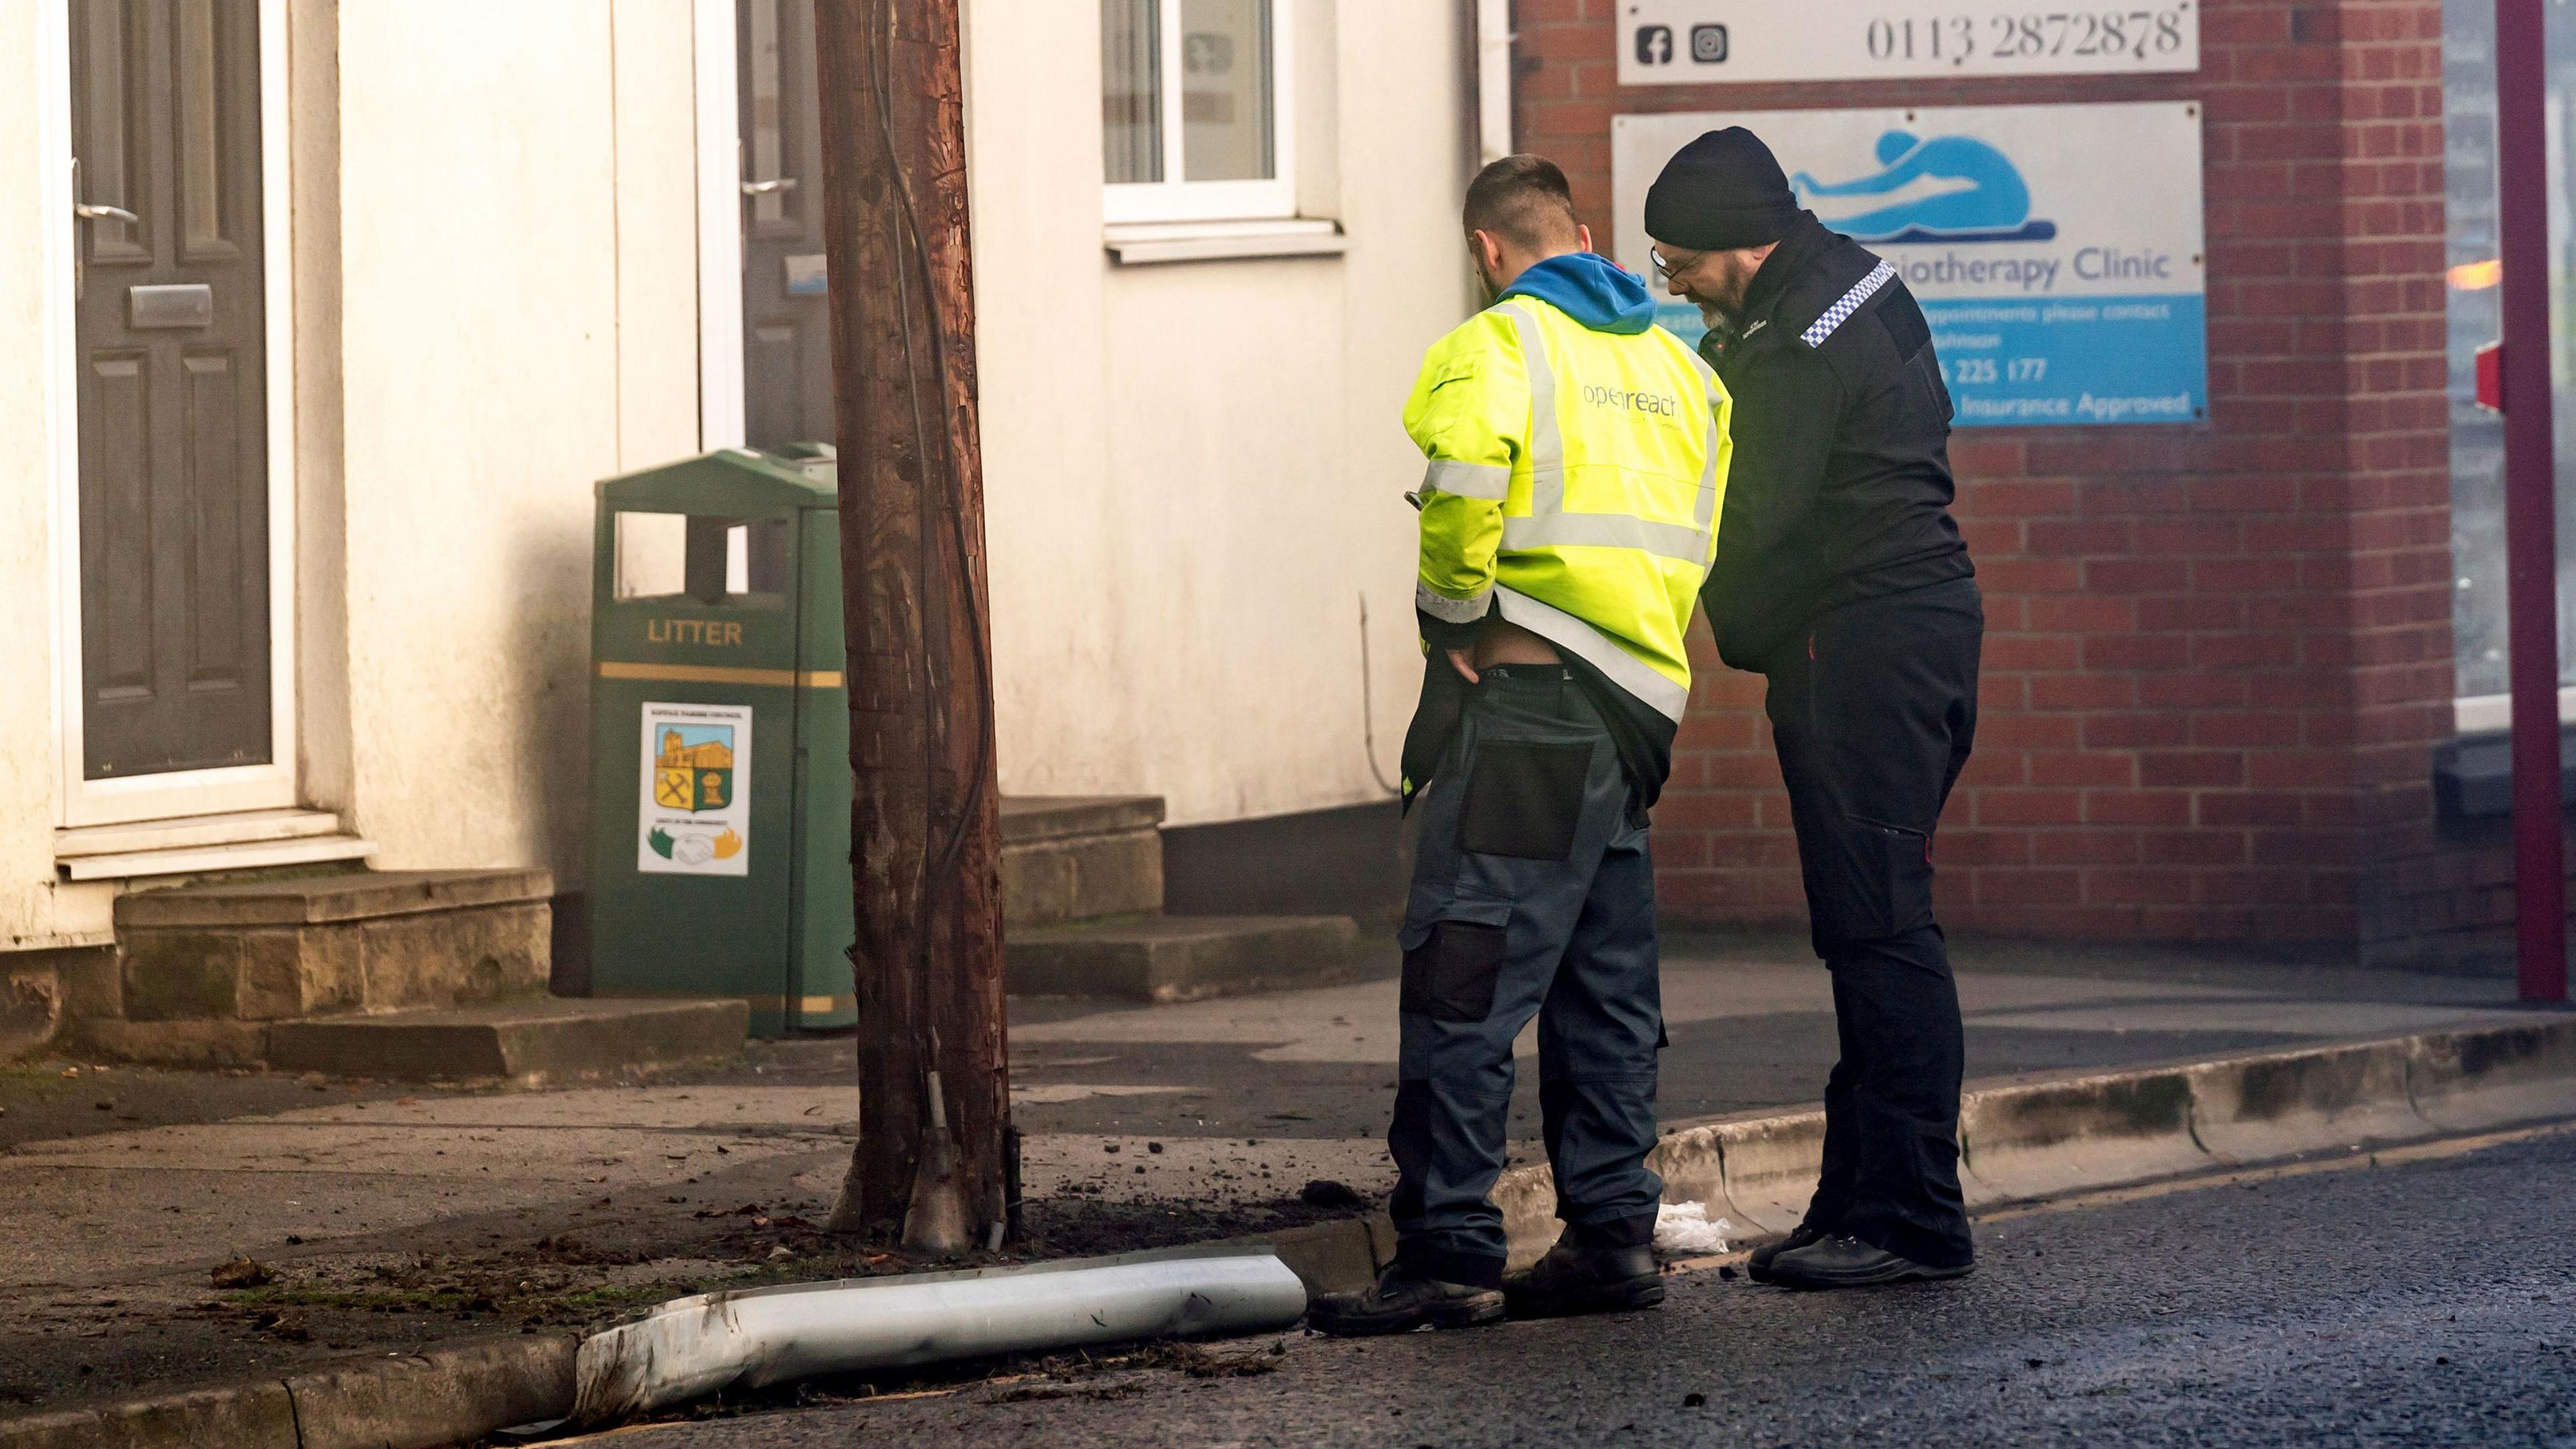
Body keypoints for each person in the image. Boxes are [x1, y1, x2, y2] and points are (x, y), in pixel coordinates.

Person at [1306, 154, 1732, 1335]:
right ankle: (1609, 1234)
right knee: (1604, 987)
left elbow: (1460, 487)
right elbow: (1698, 531)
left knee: (1465, 972)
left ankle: (1447, 1248)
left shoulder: (1499, 345)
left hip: (1533, 702)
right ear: (1582, 233)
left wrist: (1453, 621)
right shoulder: (1680, 364)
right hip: (1638, 715)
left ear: (1488, 252)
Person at [1644, 126, 1984, 1290]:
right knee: (1865, 926)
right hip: (1925, 630)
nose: (1674, 282)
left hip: (1861, 648)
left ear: (1745, 242)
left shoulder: (1790, 350)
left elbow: (1748, 520)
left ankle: (1913, 1221)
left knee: (1880, 927)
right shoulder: (1858, 279)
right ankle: (1857, 1199)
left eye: (1680, 260)